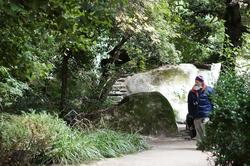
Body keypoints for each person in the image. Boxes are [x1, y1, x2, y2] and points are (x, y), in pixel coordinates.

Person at [187, 75, 214, 141]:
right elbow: (190, 104)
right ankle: (200, 146)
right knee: (198, 132)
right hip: (196, 115)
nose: (197, 82)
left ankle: (207, 145)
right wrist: (191, 115)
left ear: (202, 82)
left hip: (206, 115)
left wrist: (213, 114)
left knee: (206, 131)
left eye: (199, 81)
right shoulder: (191, 92)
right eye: (196, 81)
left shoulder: (209, 90)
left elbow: (214, 102)